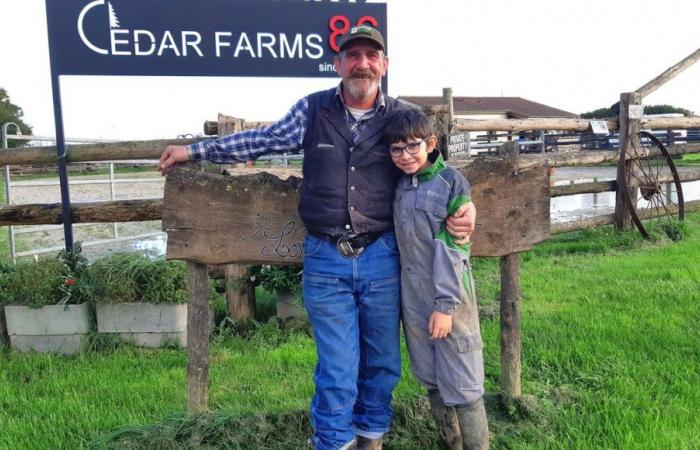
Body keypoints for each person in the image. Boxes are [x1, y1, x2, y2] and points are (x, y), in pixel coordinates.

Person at [158, 25, 476, 450]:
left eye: (371, 55)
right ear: (339, 63)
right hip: (326, 259)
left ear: (384, 65)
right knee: (338, 369)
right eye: (353, 55)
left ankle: (371, 441)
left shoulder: (399, 117)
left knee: (382, 365)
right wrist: (194, 151)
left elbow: (434, 170)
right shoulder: (312, 110)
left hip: (383, 256)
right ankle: (333, 443)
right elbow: (263, 139)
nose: (362, 63)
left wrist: (467, 206)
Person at [385, 109, 489, 450]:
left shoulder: (451, 182)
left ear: (431, 143)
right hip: (412, 300)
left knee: (464, 381)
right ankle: (450, 442)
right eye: (396, 149)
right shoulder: (399, 183)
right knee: (431, 378)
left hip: (451, 298)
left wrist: (445, 305)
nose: (404, 155)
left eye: (412, 146)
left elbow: (453, 248)